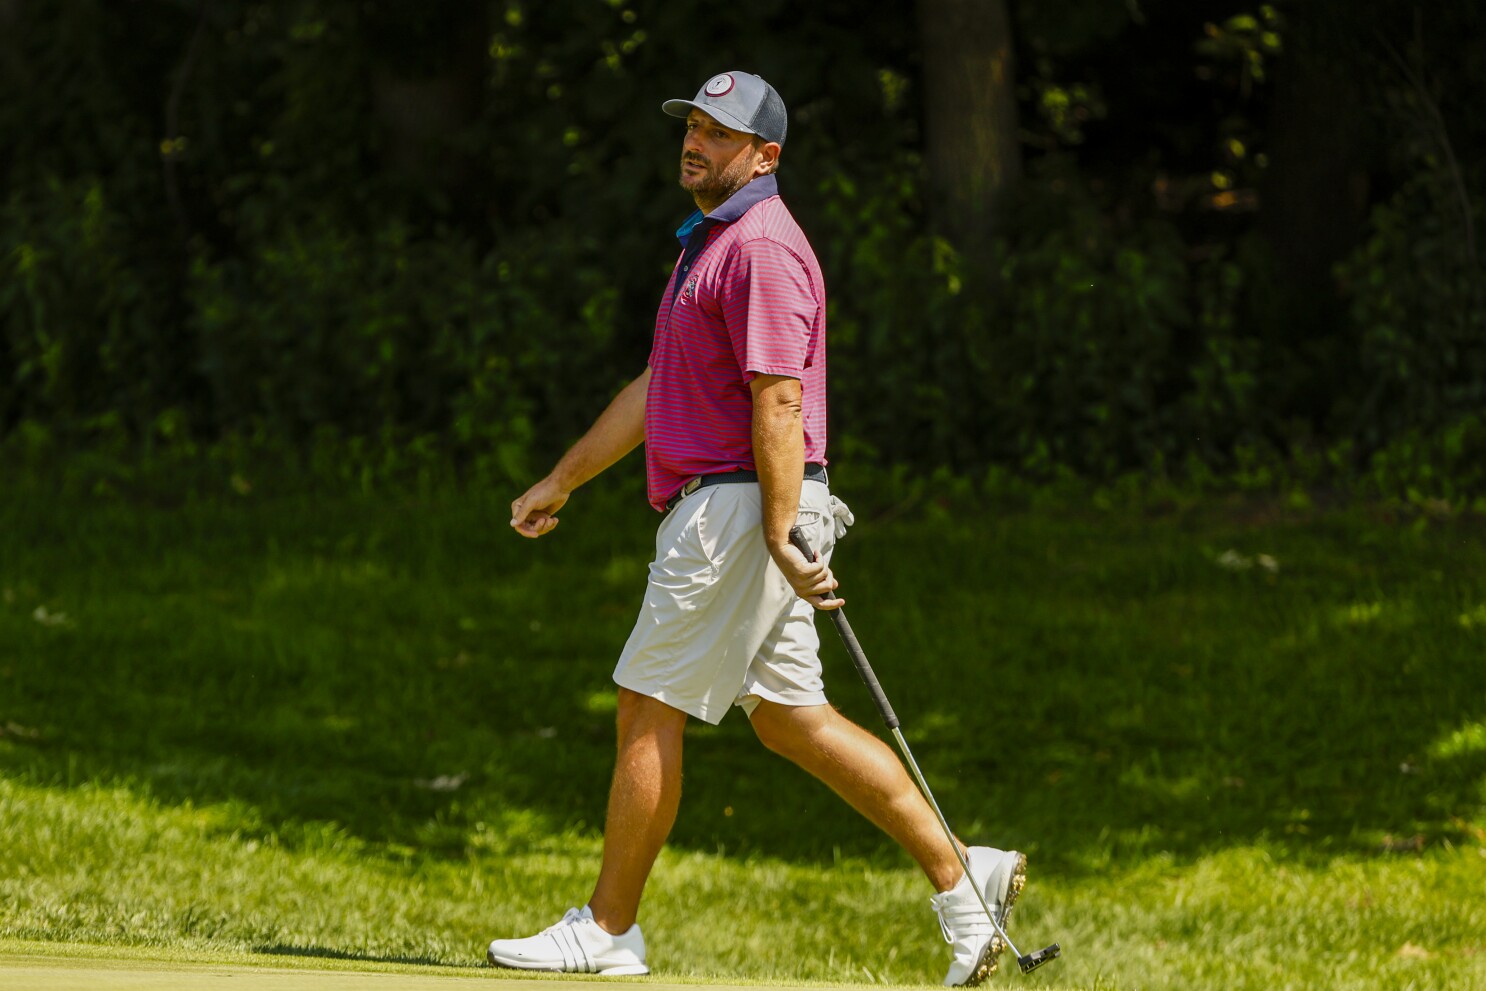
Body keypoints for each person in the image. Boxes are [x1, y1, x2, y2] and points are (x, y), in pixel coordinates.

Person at [487, 71, 1028, 987]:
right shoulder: (711, 244)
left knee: (648, 703)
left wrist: (779, 529)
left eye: (720, 133)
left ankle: (609, 927)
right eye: (693, 126)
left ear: (765, 155)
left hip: (741, 506)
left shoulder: (763, 250)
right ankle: (965, 876)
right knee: (789, 719)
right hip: (745, 504)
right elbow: (657, 386)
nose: (696, 142)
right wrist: (563, 478)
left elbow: (778, 401)